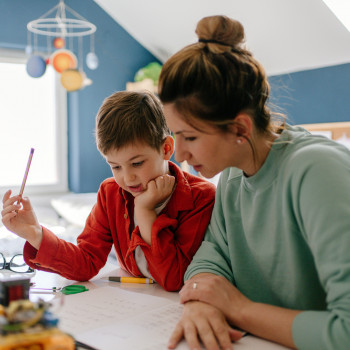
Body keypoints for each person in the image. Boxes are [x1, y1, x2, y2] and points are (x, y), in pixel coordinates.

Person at [157, 15, 350, 350]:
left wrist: (238, 309)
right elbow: (212, 254)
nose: (180, 154)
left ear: (240, 129)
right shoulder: (234, 173)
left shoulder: (317, 171)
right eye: (175, 135)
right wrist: (202, 302)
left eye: (189, 136)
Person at [1, 91, 216, 292]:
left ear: (166, 148)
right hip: (131, 304)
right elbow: (86, 262)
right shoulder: (110, 192)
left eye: (137, 163)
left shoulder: (202, 197)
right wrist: (35, 234)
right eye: (115, 167)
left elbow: (174, 279)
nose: (127, 178)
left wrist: (145, 212)